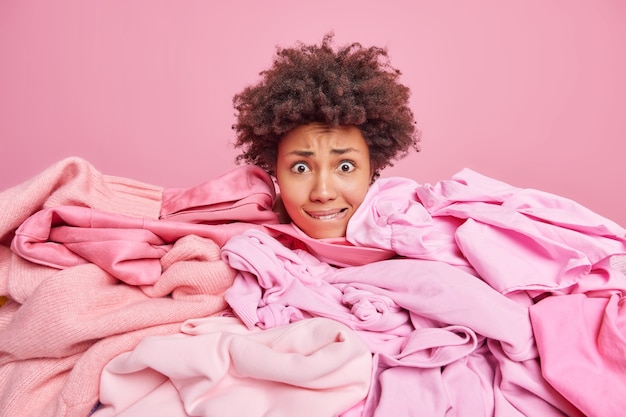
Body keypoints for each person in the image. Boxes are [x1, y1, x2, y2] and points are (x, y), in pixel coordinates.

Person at [231, 33, 420, 239]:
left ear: (370, 169)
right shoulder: (243, 243)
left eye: (345, 166)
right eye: (300, 167)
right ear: (276, 171)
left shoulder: (416, 234)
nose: (323, 193)